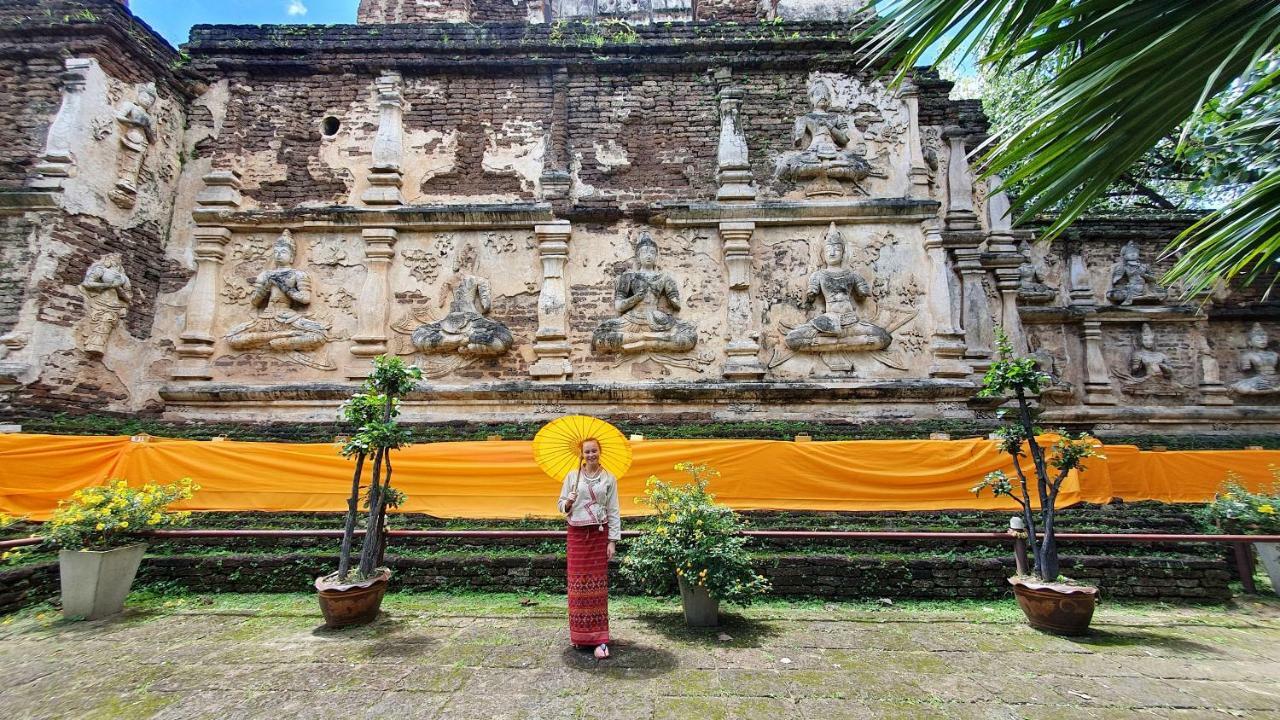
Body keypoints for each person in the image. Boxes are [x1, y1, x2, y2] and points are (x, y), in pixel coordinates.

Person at [557, 437, 621, 659]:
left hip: (598, 535)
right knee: (578, 586)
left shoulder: (609, 478)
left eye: (594, 451)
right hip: (576, 535)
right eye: (587, 452)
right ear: (581, 454)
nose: (591, 455)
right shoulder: (572, 477)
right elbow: (560, 505)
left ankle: (600, 639)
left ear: (599, 452)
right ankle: (580, 637)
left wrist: (612, 540)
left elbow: (613, 510)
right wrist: (568, 502)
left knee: (597, 587)